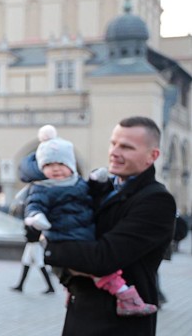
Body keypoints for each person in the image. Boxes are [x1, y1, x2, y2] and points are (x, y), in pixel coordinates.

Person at [42, 116, 175, 336]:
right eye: (114, 142)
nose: (115, 151)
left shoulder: (156, 200)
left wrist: (51, 249)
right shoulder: (98, 190)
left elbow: (104, 257)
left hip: (119, 332)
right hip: (81, 323)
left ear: (151, 156)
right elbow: (65, 231)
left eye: (127, 146)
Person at [22, 125, 154, 315]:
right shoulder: (42, 187)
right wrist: (36, 217)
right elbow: (34, 205)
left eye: (60, 164)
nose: (56, 169)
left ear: (71, 165)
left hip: (84, 233)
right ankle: (127, 298)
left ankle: (73, 291)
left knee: (85, 270)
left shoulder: (77, 183)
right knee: (103, 273)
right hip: (64, 235)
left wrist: (97, 181)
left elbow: (91, 193)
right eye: (49, 165)